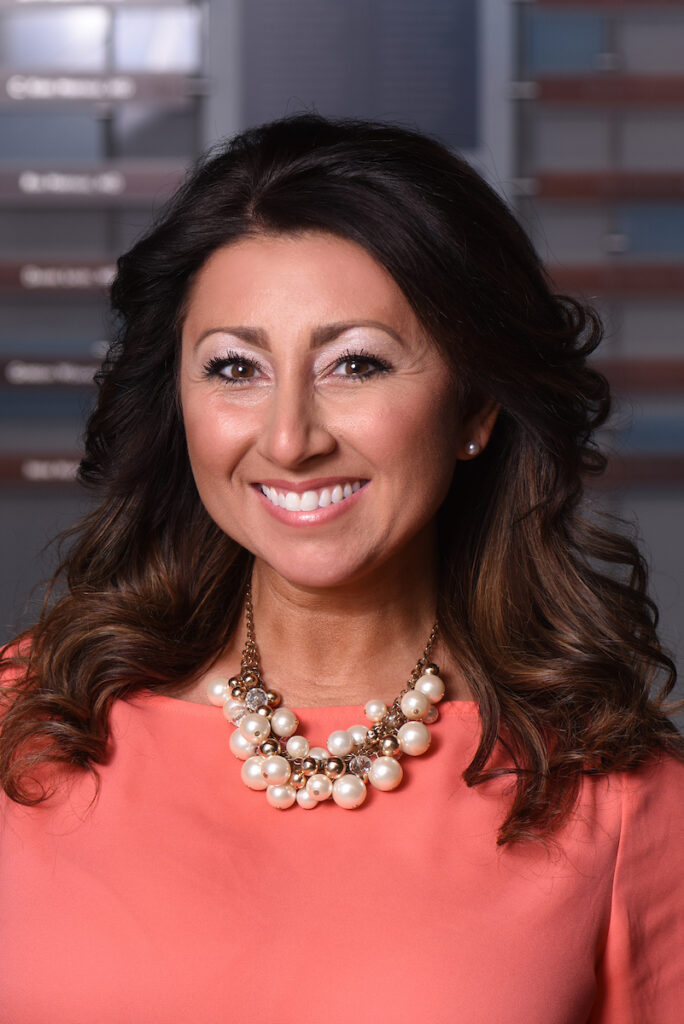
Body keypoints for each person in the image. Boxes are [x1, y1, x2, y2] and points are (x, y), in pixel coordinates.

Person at [1, 113, 682, 1023]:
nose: (289, 438)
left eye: (354, 363)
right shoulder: (28, 723)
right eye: (235, 367)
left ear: (475, 407)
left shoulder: (622, 801)